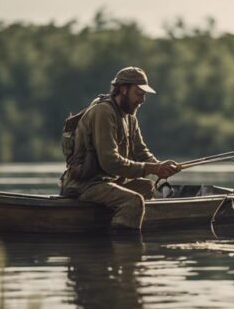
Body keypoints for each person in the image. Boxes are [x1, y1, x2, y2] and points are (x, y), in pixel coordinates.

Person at [60, 66, 180, 230]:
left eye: (144, 95)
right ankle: (121, 245)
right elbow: (110, 162)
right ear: (123, 89)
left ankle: (111, 222)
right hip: (85, 185)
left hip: (107, 184)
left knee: (147, 186)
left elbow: (141, 152)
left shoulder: (130, 116)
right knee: (133, 202)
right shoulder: (103, 112)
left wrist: (161, 167)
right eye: (139, 93)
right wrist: (152, 168)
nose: (142, 100)